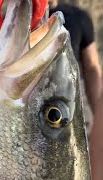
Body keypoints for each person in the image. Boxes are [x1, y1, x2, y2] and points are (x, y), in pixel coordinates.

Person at [49, 0, 102, 136]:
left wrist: (99, 118)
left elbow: (92, 68)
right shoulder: (18, 21)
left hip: (70, 111)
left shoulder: (79, 18)